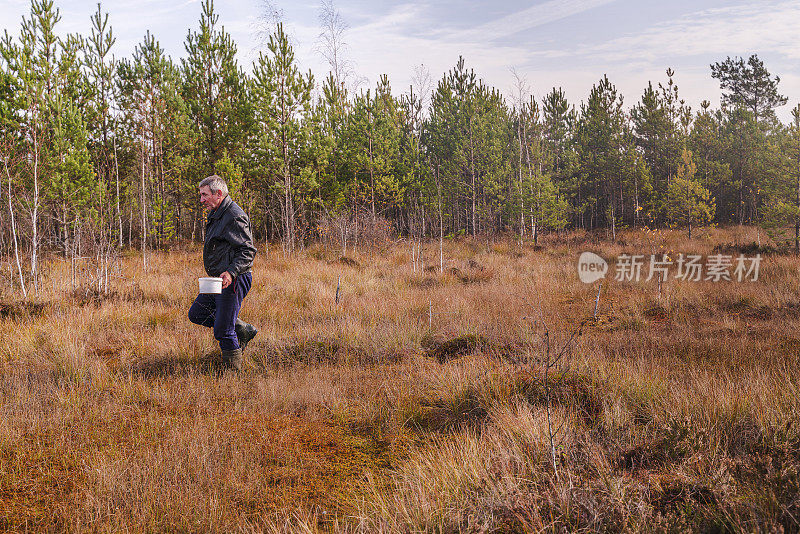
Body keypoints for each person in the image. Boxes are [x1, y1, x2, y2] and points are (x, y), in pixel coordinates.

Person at [188, 174, 258, 370]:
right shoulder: (217, 212)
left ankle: (233, 376)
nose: (201, 200)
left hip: (233, 279)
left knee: (223, 329)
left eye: (204, 195)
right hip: (216, 280)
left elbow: (247, 251)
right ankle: (242, 329)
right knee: (197, 313)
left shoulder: (234, 216)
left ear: (218, 193)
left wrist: (231, 272)